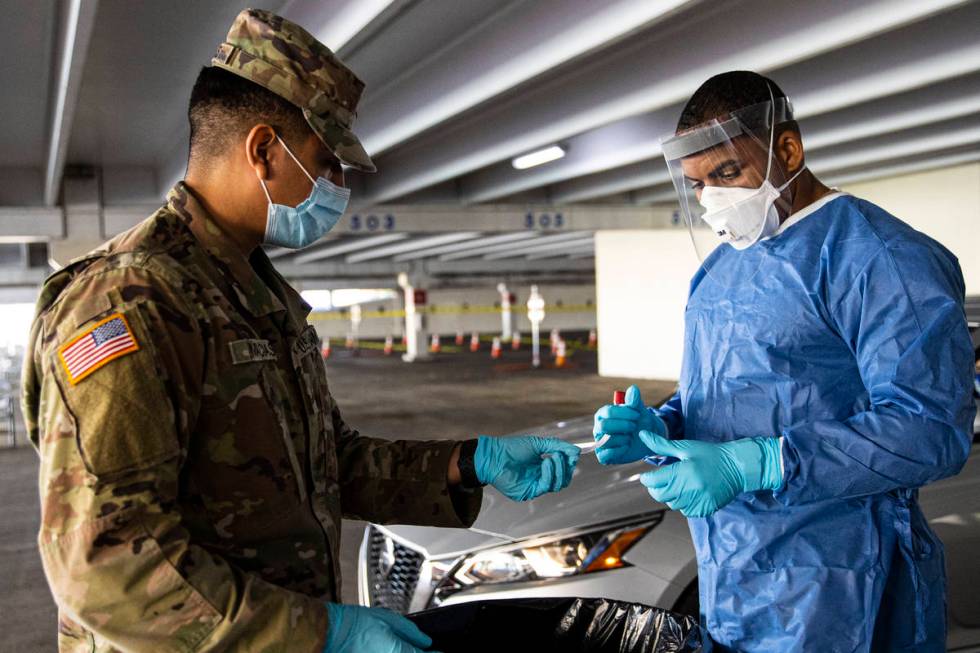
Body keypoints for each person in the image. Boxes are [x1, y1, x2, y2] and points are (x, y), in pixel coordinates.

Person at [21, 10, 580, 653]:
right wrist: (325, 631)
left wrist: (468, 463)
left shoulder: (251, 290)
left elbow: (321, 465)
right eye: (326, 162)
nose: (336, 187)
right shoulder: (131, 300)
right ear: (263, 151)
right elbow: (106, 560)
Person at [593, 71, 975, 652]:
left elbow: (929, 429)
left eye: (726, 172)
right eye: (696, 184)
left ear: (787, 149)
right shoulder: (720, 269)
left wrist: (764, 465)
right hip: (733, 575)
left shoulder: (882, 259)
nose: (711, 198)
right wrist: (662, 427)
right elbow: (732, 395)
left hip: (843, 584)